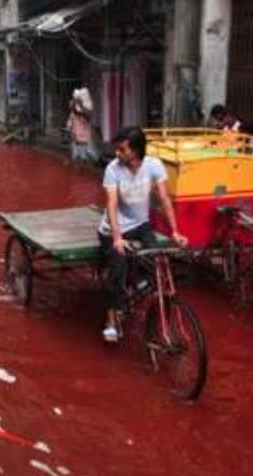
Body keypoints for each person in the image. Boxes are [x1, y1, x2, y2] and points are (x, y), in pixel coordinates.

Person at [98, 127, 188, 342]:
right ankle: (111, 320)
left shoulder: (154, 165)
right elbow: (111, 204)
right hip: (113, 229)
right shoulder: (113, 169)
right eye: (118, 149)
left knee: (158, 259)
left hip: (140, 225)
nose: (118, 153)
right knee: (117, 267)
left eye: (122, 149)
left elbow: (164, 199)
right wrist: (117, 237)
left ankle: (138, 287)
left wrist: (175, 231)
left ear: (135, 151)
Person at [66, 88, 95, 166]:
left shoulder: (87, 105)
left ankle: (84, 161)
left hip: (84, 129)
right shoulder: (74, 105)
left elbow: (88, 115)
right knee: (76, 147)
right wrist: (74, 104)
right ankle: (78, 161)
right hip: (76, 128)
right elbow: (73, 111)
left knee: (85, 147)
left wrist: (80, 105)